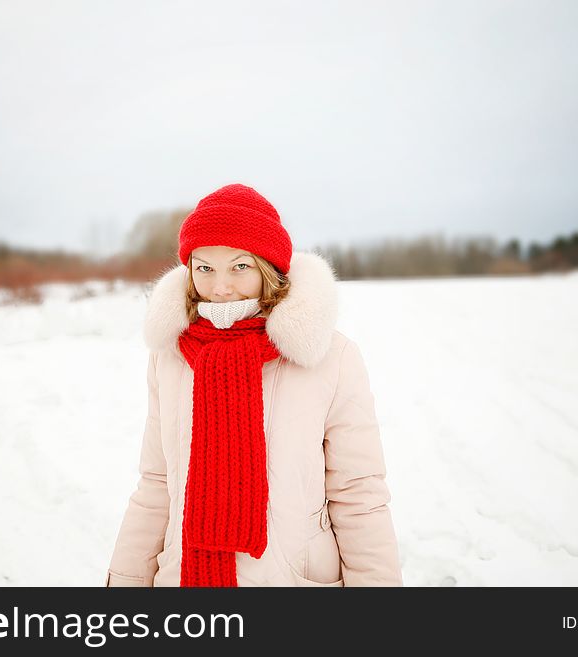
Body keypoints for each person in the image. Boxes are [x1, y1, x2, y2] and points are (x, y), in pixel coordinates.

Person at [104, 183, 403, 587]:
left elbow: (358, 493)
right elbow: (157, 484)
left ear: (268, 268)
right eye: (204, 267)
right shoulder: (171, 357)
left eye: (239, 266)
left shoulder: (329, 357)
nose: (220, 287)